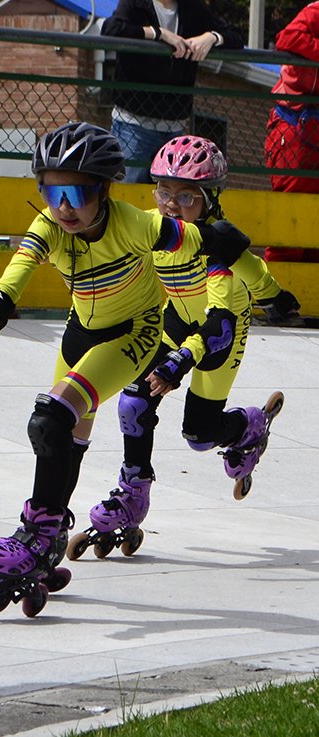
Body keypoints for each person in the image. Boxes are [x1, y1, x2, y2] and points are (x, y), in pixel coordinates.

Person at [0, 122, 251, 614]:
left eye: (79, 192)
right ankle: (44, 539)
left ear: (105, 190)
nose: (64, 206)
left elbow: (200, 239)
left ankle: (35, 537)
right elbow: (13, 277)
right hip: (78, 332)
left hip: (133, 333)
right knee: (63, 438)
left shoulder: (136, 224)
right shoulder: (47, 225)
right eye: (52, 190)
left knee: (49, 417)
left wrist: (225, 243)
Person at [69, 135, 300, 558]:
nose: (171, 205)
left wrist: (178, 364)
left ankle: (248, 428)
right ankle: (132, 495)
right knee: (133, 403)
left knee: (198, 434)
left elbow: (218, 328)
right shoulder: (154, 226)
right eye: (164, 192)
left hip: (220, 332)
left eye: (187, 196)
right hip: (177, 317)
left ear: (210, 200)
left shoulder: (220, 255)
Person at [101, 0, 244, 182]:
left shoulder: (192, 8)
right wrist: (159, 34)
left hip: (174, 127)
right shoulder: (135, 4)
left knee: (170, 199)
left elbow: (236, 35)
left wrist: (211, 37)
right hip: (132, 124)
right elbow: (111, 29)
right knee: (127, 195)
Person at [264, 1, 319, 262]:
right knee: (290, 221)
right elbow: (287, 38)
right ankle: (276, 298)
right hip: (296, 129)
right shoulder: (317, 10)